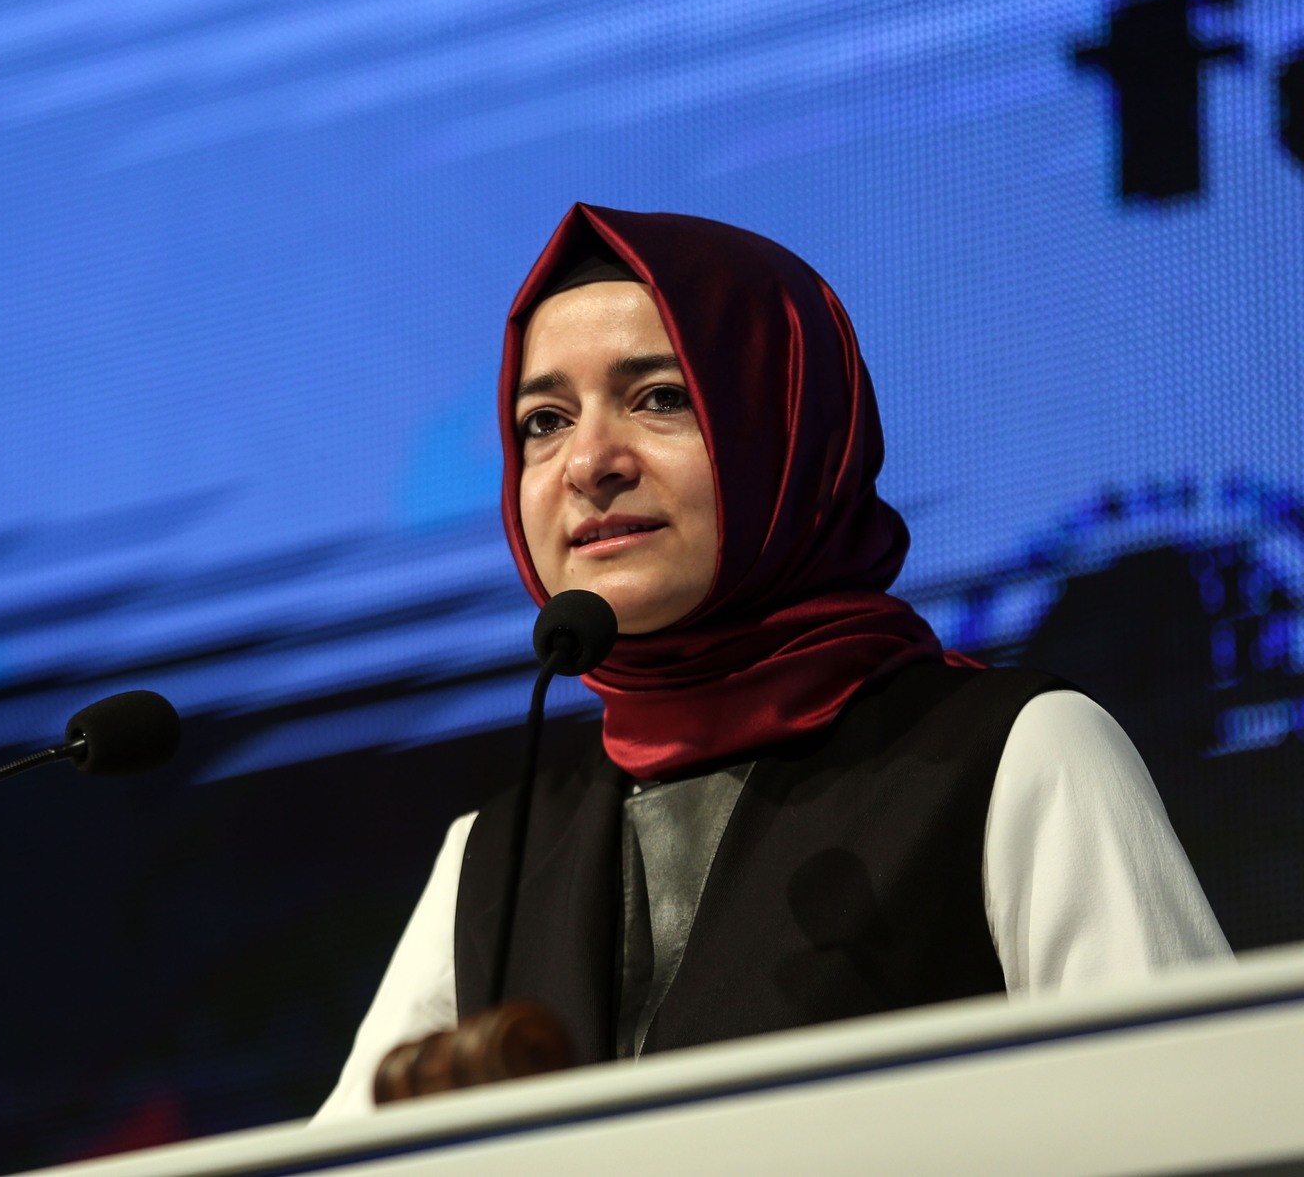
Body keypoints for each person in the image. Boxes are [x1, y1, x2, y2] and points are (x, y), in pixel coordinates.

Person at [313, 204, 1229, 1123]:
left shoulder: (1015, 753)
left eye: (660, 397)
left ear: (788, 429)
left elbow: (1194, 1121)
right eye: (544, 421)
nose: (588, 462)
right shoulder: (492, 860)